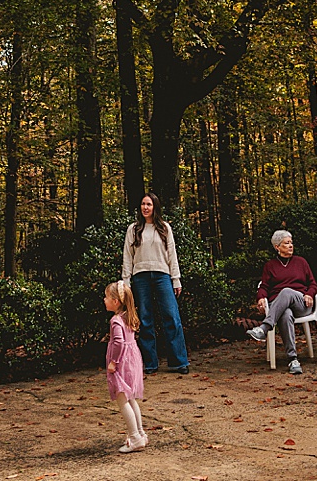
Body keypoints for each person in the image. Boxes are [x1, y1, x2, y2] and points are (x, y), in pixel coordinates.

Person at [122, 193, 190, 374]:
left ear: (155, 207)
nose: (145, 207)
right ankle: (150, 363)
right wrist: (126, 281)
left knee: (171, 316)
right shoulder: (133, 229)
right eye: (143, 204)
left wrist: (176, 279)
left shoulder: (165, 228)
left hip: (162, 276)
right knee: (145, 320)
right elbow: (127, 256)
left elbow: (172, 254)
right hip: (140, 277)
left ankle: (179, 362)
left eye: (149, 204)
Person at [246, 230, 317, 375]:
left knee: (286, 291)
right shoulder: (270, 266)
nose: (291, 245)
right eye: (286, 243)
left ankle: (265, 327)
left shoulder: (301, 262)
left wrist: (309, 294)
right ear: (277, 247)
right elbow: (264, 286)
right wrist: (260, 297)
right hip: (279, 307)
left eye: (291, 242)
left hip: (301, 304)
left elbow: (313, 284)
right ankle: (293, 360)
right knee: (285, 314)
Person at [104, 279, 148, 454]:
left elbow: (119, 343)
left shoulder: (116, 320)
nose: (104, 300)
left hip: (121, 363)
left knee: (122, 400)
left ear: (116, 302)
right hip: (132, 360)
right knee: (131, 399)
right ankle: (141, 433)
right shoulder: (128, 317)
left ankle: (135, 437)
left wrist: (114, 361)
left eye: (107, 297)